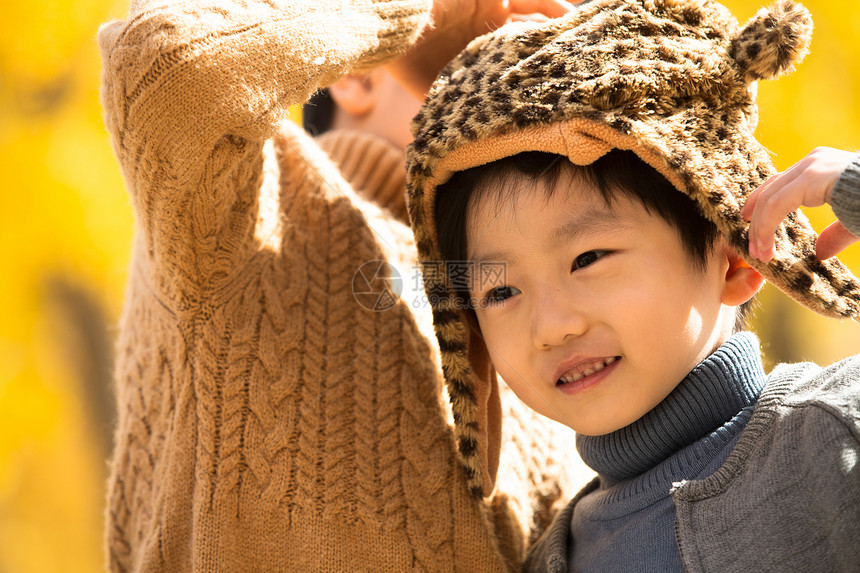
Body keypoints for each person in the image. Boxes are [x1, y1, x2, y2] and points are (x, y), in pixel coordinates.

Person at [96, 0, 591, 571]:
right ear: (356, 78)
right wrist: (435, 19)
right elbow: (164, 59)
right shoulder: (241, 217)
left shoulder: (564, 307)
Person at [404, 0, 860, 570]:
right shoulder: (555, 555)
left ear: (735, 256)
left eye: (588, 258)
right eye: (499, 292)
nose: (551, 326)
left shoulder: (831, 430)